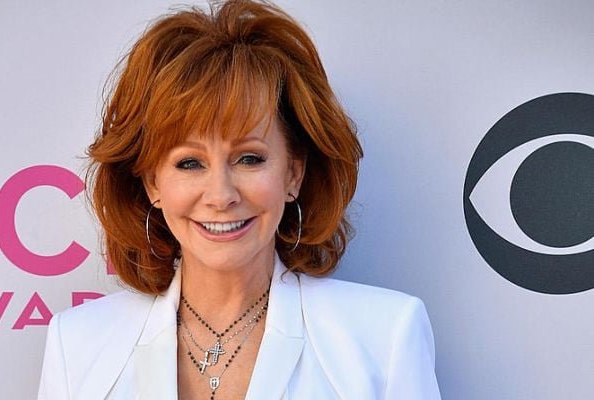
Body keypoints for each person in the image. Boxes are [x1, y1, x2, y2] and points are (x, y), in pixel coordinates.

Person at [37, 0, 441, 399]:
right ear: (152, 182)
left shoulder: (384, 337)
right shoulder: (77, 344)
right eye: (190, 163)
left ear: (293, 173)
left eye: (249, 159)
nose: (221, 195)